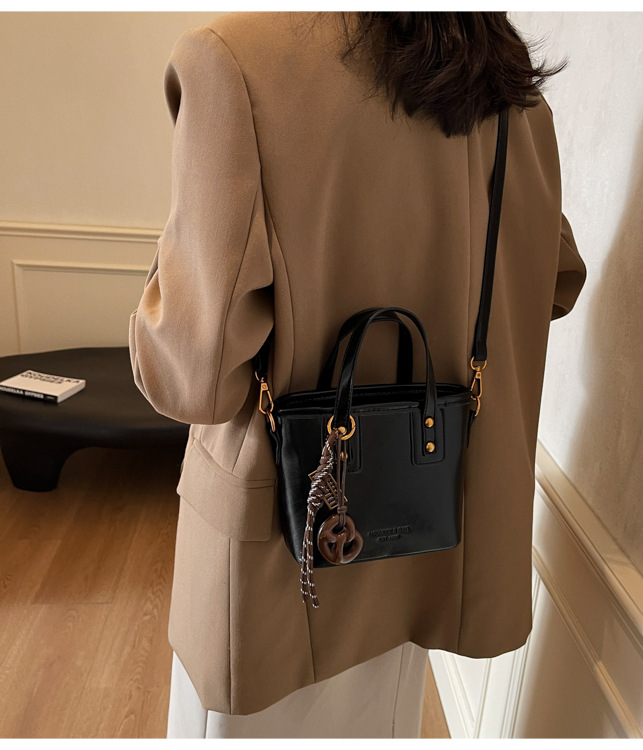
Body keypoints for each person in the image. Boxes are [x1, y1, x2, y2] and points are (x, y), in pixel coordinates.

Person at [128, 11, 587, 739]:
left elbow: (193, 377)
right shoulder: (507, 90)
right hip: (431, 524)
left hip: (286, 559)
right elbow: (555, 279)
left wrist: (184, 253)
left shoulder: (231, 60)